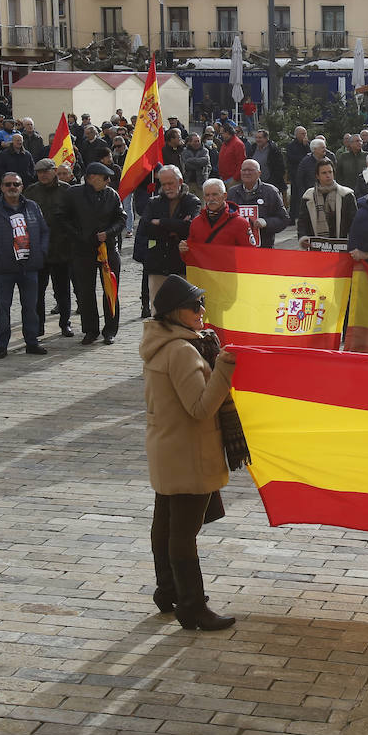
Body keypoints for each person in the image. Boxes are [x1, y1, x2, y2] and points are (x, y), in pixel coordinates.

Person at [140, 275, 243, 632]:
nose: (202, 311)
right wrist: (225, 369)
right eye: (193, 305)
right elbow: (200, 408)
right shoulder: (183, 351)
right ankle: (192, 606)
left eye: (201, 303)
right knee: (183, 533)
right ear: (174, 313)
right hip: (188, 452)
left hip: (167, 446)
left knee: (166, 524)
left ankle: (168, 590)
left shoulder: (160, 341)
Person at [0, 172, 50, 359]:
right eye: (7, 184)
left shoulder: (32, 207)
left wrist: (42, 251)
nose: (12, 188)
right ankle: (2, 345)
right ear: (1, 187)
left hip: (30, 266)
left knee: (30, 307)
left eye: (15, 184)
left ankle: (32, 342)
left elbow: (44, 231)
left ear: (22, 186)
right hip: (4, 268)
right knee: (3, 308)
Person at [59, 162, 127, 346]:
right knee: (85, 292)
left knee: (110, 290)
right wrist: (79, 236)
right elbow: (63, 218)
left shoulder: (112, 194)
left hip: (107, 250)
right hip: (83, 250)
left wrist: (109, 233)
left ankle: (110, 330)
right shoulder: (73, 194)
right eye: (104, 178)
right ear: (91, 178)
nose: (107, 181)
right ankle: (91, 330)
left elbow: (122, 218)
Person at [136, 165, 201, 309]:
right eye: (163, 184)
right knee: (158, 310)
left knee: (182, 309)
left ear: (180, 181)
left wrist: (161, 222)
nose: (167, 187)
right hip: (158, 264)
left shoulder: (192, 201)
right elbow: (146, 227)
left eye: (170, 183)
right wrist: (175, 226)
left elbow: (191, 227)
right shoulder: (154, 202)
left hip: (181, 264)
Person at [25, 159, 74, 337]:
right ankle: (39, 325)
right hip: (39, 251)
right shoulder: (31, 191)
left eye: (46, 171)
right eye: (39, 172)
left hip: (62, 248)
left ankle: (65, 323)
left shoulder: (67, 191)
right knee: (38, 291)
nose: (43, 175)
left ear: (54, 171)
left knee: (63, 291)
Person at [226, 159, 289, 249]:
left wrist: (266, 222)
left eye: (250, 170)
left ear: (259, 173)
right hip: (238, 249)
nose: (247, 173)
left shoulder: (270, 192)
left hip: (263, 248)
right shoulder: (232, 192)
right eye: (244, 170)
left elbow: (283, 219)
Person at [297, 158, 356, 247]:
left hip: (341, 245)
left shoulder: (346, 195)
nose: (328, 175)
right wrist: (303, 237)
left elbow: (354, 222)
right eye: (324, 173)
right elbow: (302, 221)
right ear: (317, 176)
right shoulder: (308, 196)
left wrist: (353, 242)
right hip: (316, 247)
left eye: (330, 172)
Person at [180, 179, 253, 250]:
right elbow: (192, 254)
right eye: (207, 195)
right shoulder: (196, 223)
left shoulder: (240, 223)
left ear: (224, 196)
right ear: (204, 198)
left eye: (215, 194)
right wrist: (184, 250)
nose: (211, 199)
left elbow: (250, 253)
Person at [292, 138, 335, 221]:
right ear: (315, 149)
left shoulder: (329, 159)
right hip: (312, 194)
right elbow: (299, 179)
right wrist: (303, 193)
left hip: (329, 193)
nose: (325, 149)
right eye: (322, 147)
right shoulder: (305, 161)